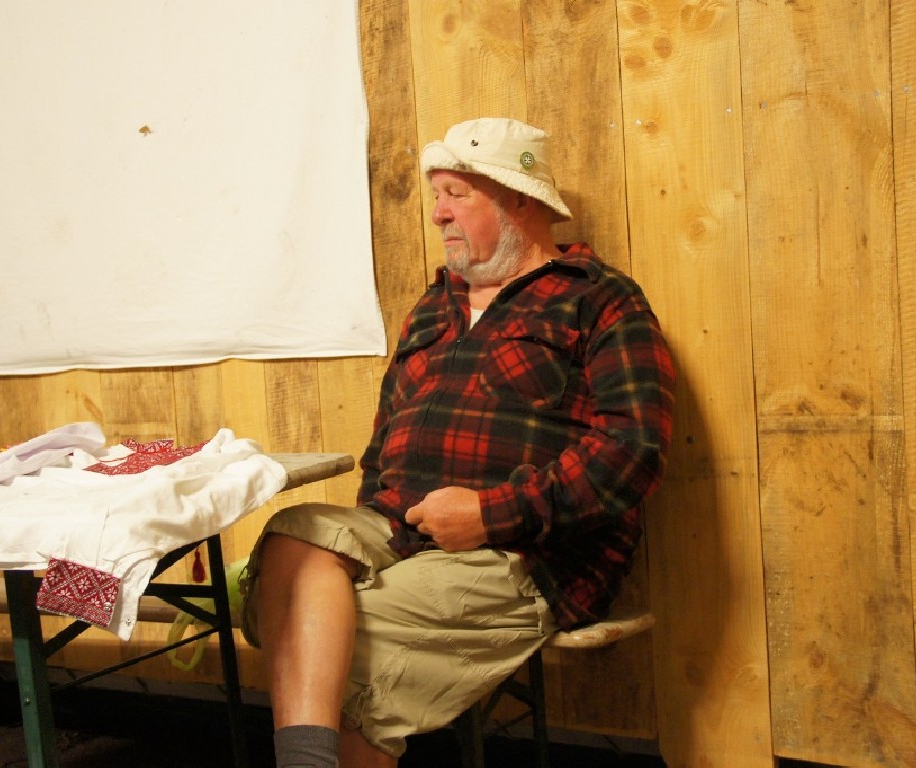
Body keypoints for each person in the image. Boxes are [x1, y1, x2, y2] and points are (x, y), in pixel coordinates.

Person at [240, 117, 675, 768]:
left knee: (343, 646)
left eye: (456, 194)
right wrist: (374, 538)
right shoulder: (432, 306)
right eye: (435, 196)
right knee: (293, 540)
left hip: (526, 552)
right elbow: (382, 446)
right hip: (402, 530)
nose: (438, 213)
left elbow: (633, 450)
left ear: (519, 200)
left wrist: (491, 514)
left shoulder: (598, 298)